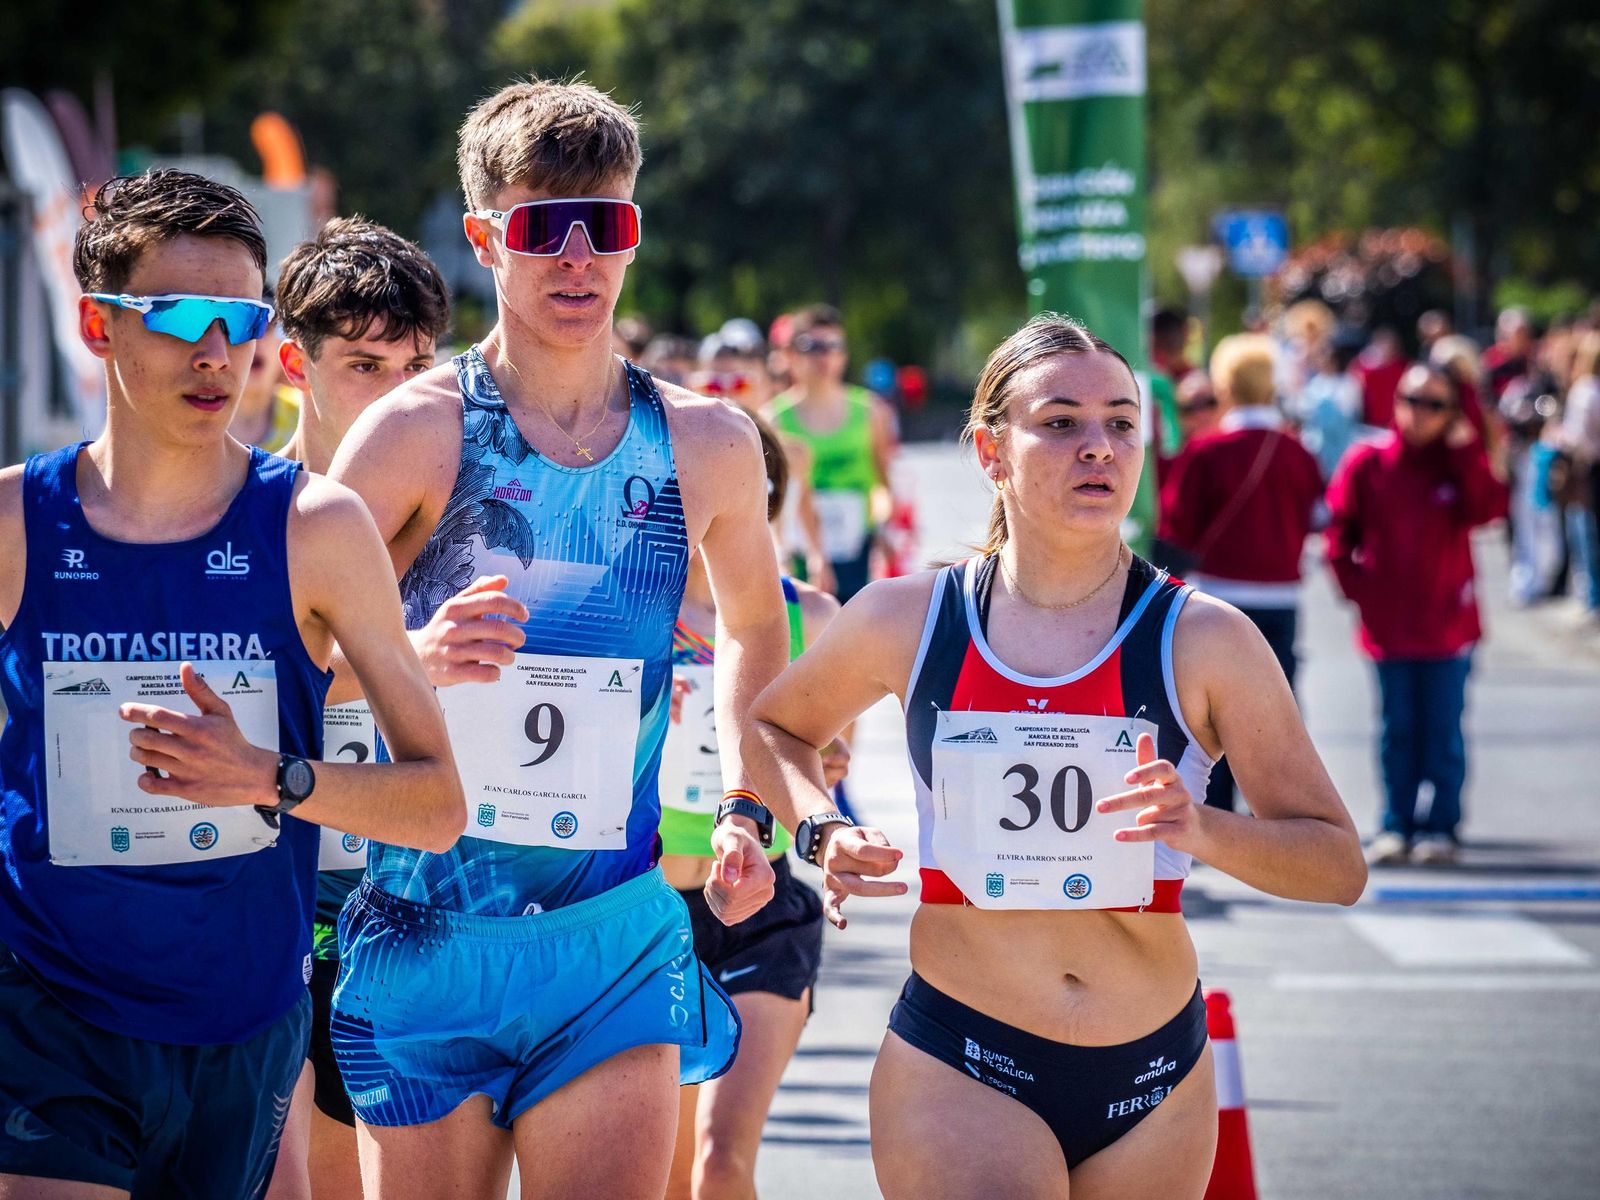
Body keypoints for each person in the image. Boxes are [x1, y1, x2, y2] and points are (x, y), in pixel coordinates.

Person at [748, 314, 1366, 1200]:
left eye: (1121, 423)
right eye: (1061, 422)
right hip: (963, 1058)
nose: (1098, 447)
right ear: (990, 451)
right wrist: (820, 831)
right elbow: (775, 727)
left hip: (1153, 1078)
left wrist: (1200, 828)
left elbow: (1337, 865)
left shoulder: (1207, 638)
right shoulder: (907, 617)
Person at [322, 79, 789, 1199]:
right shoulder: (414, 434)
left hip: (610, 938)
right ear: (485, 237)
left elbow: (754, 631)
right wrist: (412, 656)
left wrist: (746, 803)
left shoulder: (707, 443)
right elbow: (289, 657)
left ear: (634, 234)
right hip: (428, 932)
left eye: (605, 225)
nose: (578, 259)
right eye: (543, 228)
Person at [0, 168, 464, 1198]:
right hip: (46, 1010)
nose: (217, 351)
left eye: (242, 318)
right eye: (178, 316)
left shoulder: (316, 527)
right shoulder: (13, 524)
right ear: (96, 324)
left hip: (241, 1026)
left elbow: (437, 805)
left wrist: (268, 776)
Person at [262, 216, 453, 1200]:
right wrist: (409, 663)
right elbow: (244, 694)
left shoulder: (465, 519)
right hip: (278, 899)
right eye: (365, 366)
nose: (397, 393)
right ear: (295, 364)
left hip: (421, 905)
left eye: (417, 366)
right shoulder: (252, 510)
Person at [661, 418, 847, 1200]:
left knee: (720, 1160)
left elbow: (828, 763)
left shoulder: (814, 618)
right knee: (666, 1176)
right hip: (649, 914)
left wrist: (821, 771)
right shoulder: (630, 612)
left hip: (762, 914)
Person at [1326, 363, 1509, 866]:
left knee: (1443, 731)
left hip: (1448, 627)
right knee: (1397, 730)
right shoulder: (1368, 462)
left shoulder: (1457, 463)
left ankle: (1442, 827)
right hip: (1388, 628)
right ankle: (1396, 824)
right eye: (1411, 400)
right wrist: (1361, 592)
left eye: (1434, 404)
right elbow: (1338, 535)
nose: (1419, 413)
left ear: (1451, 413)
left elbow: (1488, 509)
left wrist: (1467, 449)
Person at [1158, 334, 1324, 812]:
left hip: (1216, 597)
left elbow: (1176, 525)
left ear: (1225, 387)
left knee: (1212, 716)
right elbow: (1317, 516)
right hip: (1282, 598)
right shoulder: (1296, 451)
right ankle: (1277, 815)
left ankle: (1217, 820)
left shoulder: (1207, 450)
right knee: (1276, 714)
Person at [767, 304, 898, 602]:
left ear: (844, 355)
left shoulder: (872, 412)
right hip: (799, 555)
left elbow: (884, 484)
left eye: (833, 346)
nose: (823, 356)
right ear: (791, 355)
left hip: (859, 550)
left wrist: (883, 528)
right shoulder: (773, 420)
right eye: (811, 346)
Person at [691, 330, 831, 594]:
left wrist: (817, 555)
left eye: (740, 384)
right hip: (705, 590)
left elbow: (803, 505)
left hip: (775, 578)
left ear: (768, 386)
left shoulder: (794, 454)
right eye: (714, 385)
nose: (726, 394)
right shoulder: (681, 454)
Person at [228, 283, 302, 452]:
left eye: (265, 326)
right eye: (242, 327)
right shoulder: (197, 415)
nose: (255, 340)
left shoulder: (306, 416)